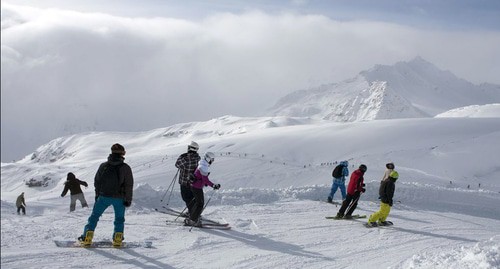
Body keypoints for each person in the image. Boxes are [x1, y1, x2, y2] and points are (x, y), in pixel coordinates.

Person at [79, 143, 134, 247]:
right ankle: (117, 239)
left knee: (94, 217)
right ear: (122, 153)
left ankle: (87, 237)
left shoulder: (103, 166)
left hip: (103, 196)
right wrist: (128, 199)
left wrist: (97, 195)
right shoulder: (125, 168)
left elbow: (97, 181)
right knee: (119, 219)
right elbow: (128, 185)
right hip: (119, 198)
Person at [184, 152, 221, 227]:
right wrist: (213, 185)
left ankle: (192, 217)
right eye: (212, 159)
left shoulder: (202, 164)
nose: (212, 161)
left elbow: (201, 177)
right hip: (196, 187)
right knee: (200, 204)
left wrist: (205, 183)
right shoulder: (203, 166)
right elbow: (205, 179)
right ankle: (192, 220)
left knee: (198, 203)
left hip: (195, 186)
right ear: (208, 158)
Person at [175, 141, 201, 217]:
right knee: (192, 198)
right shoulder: (198, 158)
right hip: (194, 182)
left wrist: (181, 156)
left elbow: (177, 164)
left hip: (185, 182)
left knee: (186, 198)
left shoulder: (185, 159)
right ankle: (194, 212)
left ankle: (193, 214)